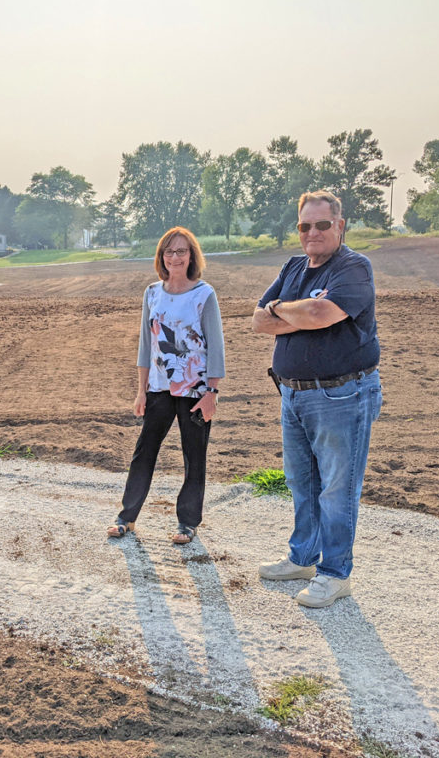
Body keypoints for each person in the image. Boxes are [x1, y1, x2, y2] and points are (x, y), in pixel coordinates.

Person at [251, 190, 382, 608]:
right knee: (301, 483)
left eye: (322, 225)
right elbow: (258, 321)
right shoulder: (293, 267)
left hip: (340, 394)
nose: (312, 233)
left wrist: (284, 310)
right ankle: (303, 557)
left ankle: (335, 573)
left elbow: (322, 315)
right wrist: (296, 310)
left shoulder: (354, 268)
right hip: (292, 393)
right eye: (305, 226)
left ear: (340, 226)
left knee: (337, 488)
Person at [108, 226, 225, 545]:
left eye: (181, 251)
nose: (175, 257)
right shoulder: (151, 293)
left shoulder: (204, 294)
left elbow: (215, 346)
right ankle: (126, 517)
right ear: (161, 256)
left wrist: (212, 392)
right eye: (169, 251)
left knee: (194, 457)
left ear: (192, 256)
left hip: (196, 391)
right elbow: (146, 346)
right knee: (143, 452)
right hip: (159, 389)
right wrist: (140, 390)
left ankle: (187, 523)